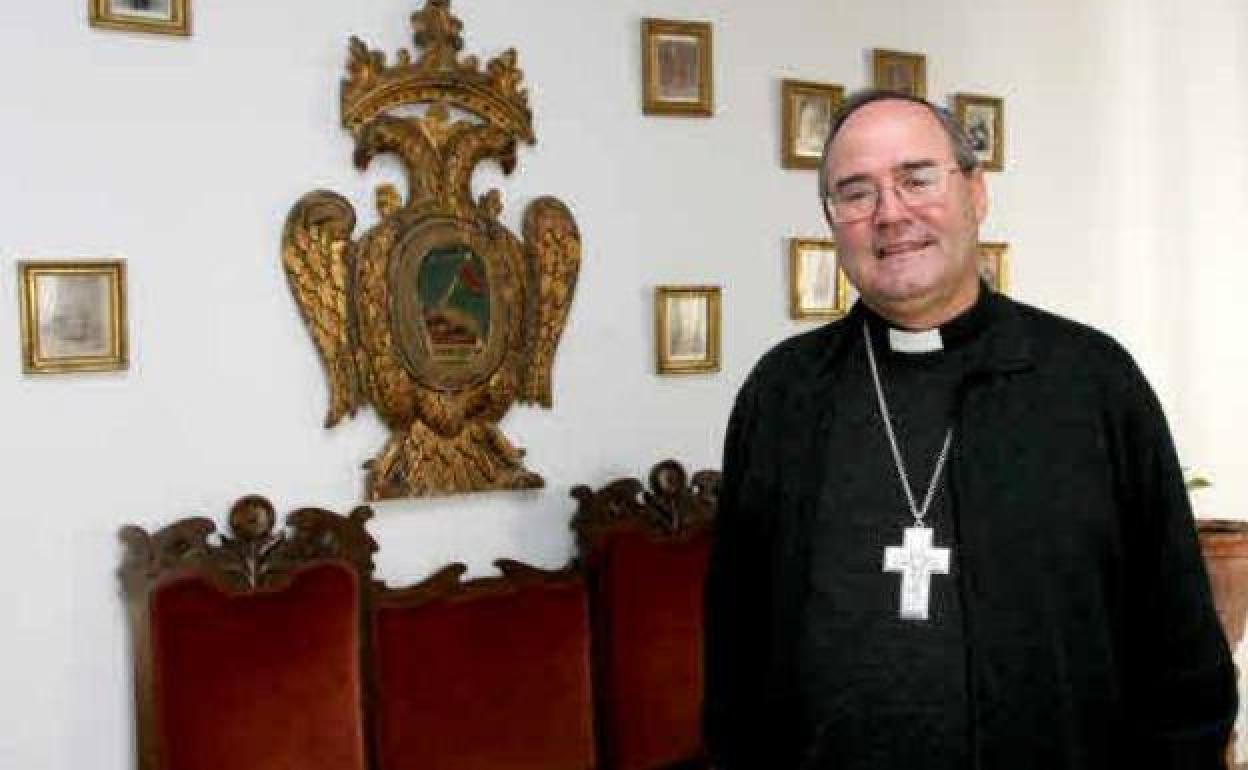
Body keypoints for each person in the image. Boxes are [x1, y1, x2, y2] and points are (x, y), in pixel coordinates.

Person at [703, 89, 1237, 770]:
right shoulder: (783, 394)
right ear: (833, 223)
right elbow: (735, 649)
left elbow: (1181, 649)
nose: (890, 214)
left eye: (917, 179)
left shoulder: (1091, 382)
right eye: (856, 193)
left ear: (976, 194)